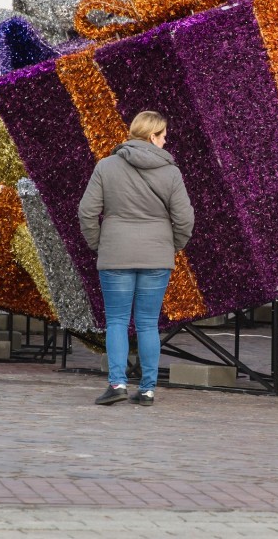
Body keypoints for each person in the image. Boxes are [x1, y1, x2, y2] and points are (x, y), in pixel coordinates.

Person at [78, 111, 194, 406]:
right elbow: (185, 219)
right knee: (147, 323)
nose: (167, 141)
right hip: (156, 255)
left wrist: (99, 244)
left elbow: (87, 212)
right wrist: (170, 246)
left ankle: (117, 384)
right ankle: (148, 390)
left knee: (116, 321)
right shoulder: (170, 172)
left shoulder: (106, 166)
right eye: (164, 135)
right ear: (152, 136)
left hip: (116, 253)